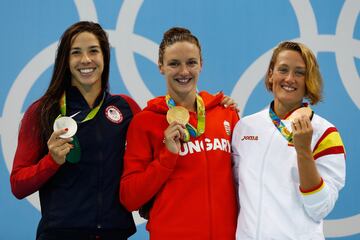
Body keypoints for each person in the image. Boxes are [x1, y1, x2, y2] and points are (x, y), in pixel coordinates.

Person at [10, 21, 140, 240]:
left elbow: (160, 132)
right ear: (65, 60)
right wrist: (51, 161)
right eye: (76, 53)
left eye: (93, 51)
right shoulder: (42, 111)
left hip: (114, 234)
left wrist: (215, 107)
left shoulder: (125, 108)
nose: (86, 60)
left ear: (104, 57)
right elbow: (18, 185)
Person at [120, 27, 239, 239]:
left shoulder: (225, 114)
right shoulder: (145, 122)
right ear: (161, 67)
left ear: (201, 64)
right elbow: (130, 197)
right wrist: (166, 157)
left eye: (191, 62)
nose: (184, 71)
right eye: (174, 64)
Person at [232, 41, 346, 239]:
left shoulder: (325, 133)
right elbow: (234, 190)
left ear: (309, 79)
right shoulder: (245, 128)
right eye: (283, 69)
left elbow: (320, 208)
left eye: (299, 73)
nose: (289, 78)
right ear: (271, 74)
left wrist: (303, 151)